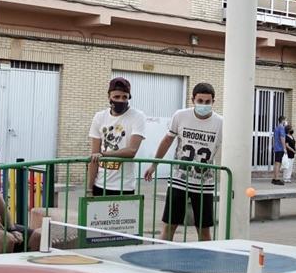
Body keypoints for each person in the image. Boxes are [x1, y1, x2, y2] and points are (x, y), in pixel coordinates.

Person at [144, 83, 223, 240]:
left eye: (208, 102)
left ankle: (205, 260)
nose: (204, 105)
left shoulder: (221, 122)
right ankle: (162, 256)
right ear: (193, 99)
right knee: (169, 225)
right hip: (179, 179)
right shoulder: (180, 116)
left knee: (204, 228)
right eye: (200, 100)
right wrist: (154, 164)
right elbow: (167, 140)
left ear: (213, 101)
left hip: (204, 183)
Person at [88, 77, 146, 196]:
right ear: (109, 97)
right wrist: (89, 188)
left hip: (124, 186)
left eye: (125, 97)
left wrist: (103, 154)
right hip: (100, 184)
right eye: (116, 97)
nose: (121, 100)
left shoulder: (137, 116)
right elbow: (94, 156)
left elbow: (132, 151)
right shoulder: (99, 117)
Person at [271, 115, 287, 185]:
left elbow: (274, 138)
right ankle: (276, 179)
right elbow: (282, 138)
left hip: (276, 148)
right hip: (280, 148)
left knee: (276, 163)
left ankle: (274, 178)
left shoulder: (276, 128)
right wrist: (284, 148)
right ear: (283, 121)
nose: (286, 122)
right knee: (278, 163)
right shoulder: (281, 128)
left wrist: (274, 147)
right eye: (285, 120)